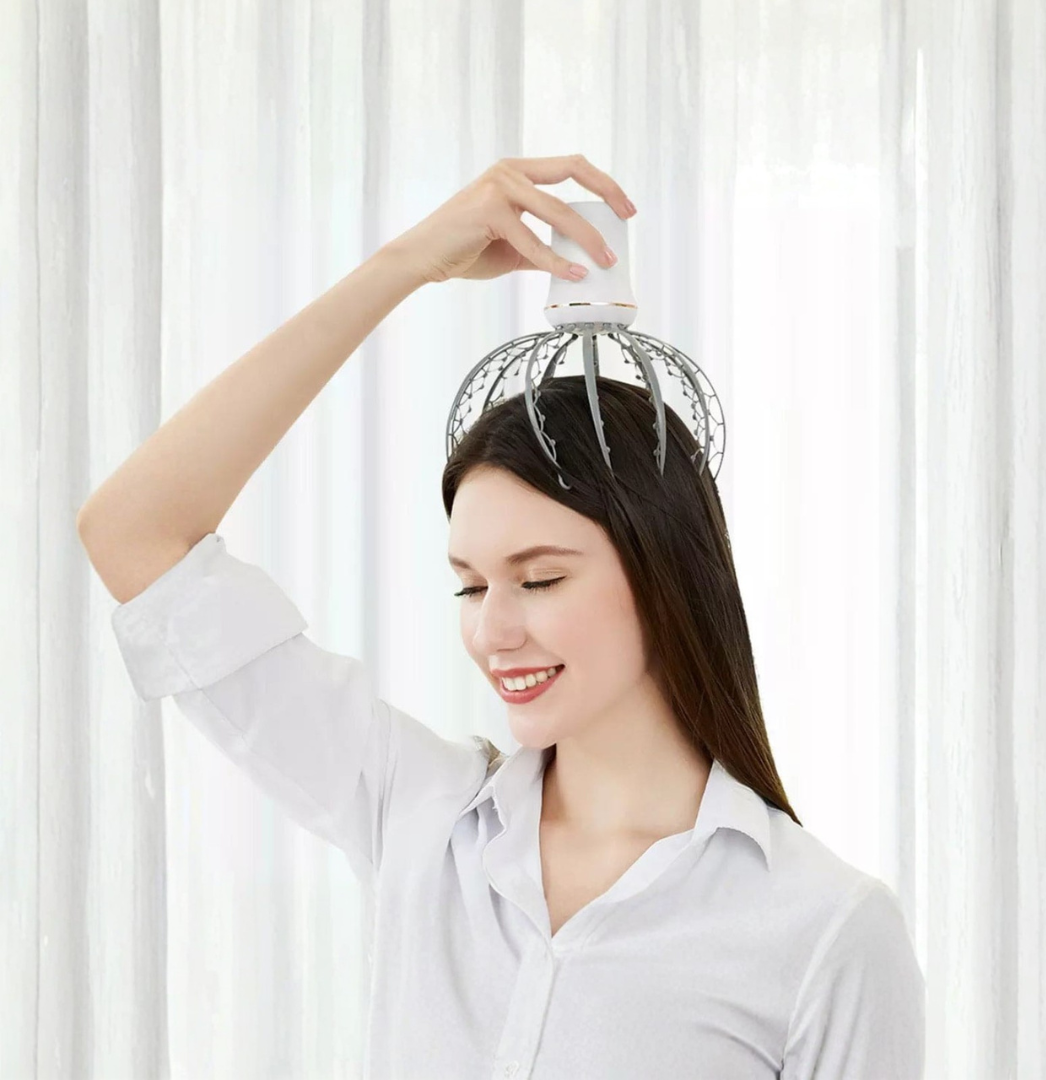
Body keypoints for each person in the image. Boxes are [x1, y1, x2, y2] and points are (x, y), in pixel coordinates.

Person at [77, 154, 925, 1078]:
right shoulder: (420, 818)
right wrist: (405, 265)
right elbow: (136, 536)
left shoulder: (822, 931)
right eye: (471, 586)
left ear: (665, 574)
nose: (493, 631)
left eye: (541, 579)